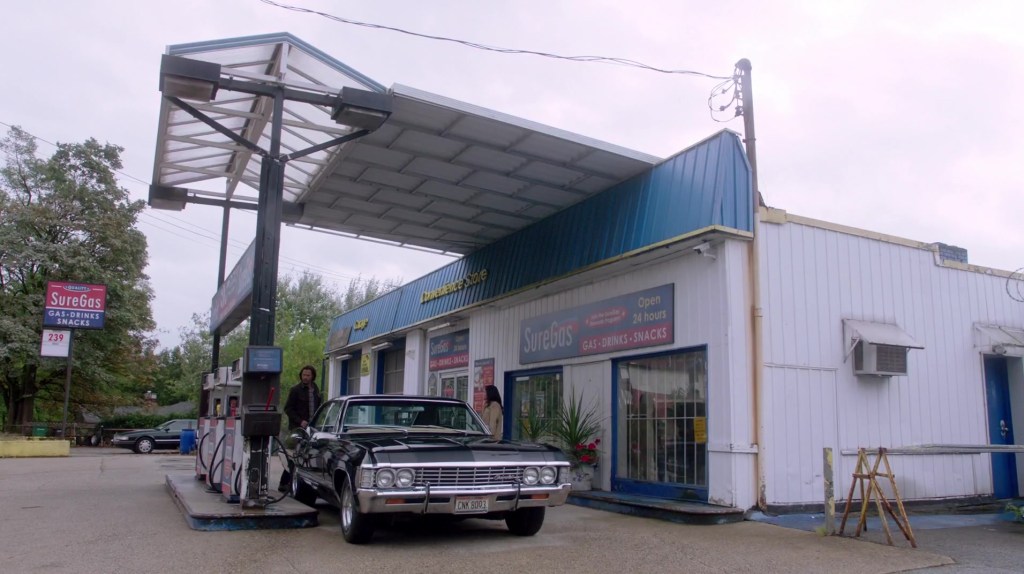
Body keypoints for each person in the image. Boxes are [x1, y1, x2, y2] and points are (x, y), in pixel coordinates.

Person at [278, 365, 322, 492]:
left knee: (308, 456)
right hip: (297, 429)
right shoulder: (295, 390)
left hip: (312, 428)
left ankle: (305, 482)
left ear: (312, 376)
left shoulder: (316, 390)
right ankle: (284, 482)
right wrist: (300, 421)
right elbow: (288, 409)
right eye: (304, 375)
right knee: (295, 455)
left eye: (308, 375)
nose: (305, 377)